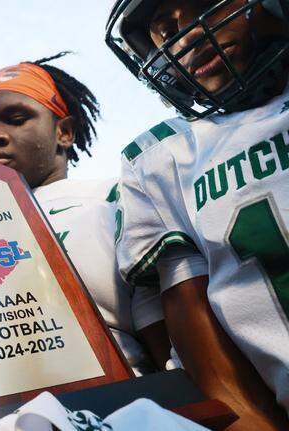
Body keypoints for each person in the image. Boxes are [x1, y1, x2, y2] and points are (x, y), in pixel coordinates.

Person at [0, 54, 171, 388]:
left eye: (16, 118)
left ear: (64, 132)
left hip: (117, 409)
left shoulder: (113, 200)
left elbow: (170, 352)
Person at [106, 0, 289, 428]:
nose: (185, 36)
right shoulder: (163, 155)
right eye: (165, 30)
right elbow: (213, 367)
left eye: (204, 5)